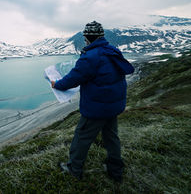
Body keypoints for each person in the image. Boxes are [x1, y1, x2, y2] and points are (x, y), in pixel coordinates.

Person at [51, 21, 134, 182]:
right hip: (114, 105)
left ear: (87, 37)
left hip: (97, 107)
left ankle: (74, 169)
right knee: (111, 137)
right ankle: (115, 171)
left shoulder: (90, 57)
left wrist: (57, 84)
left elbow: (73, 79)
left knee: (81, 137)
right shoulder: (113, 51)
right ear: (101, 36)